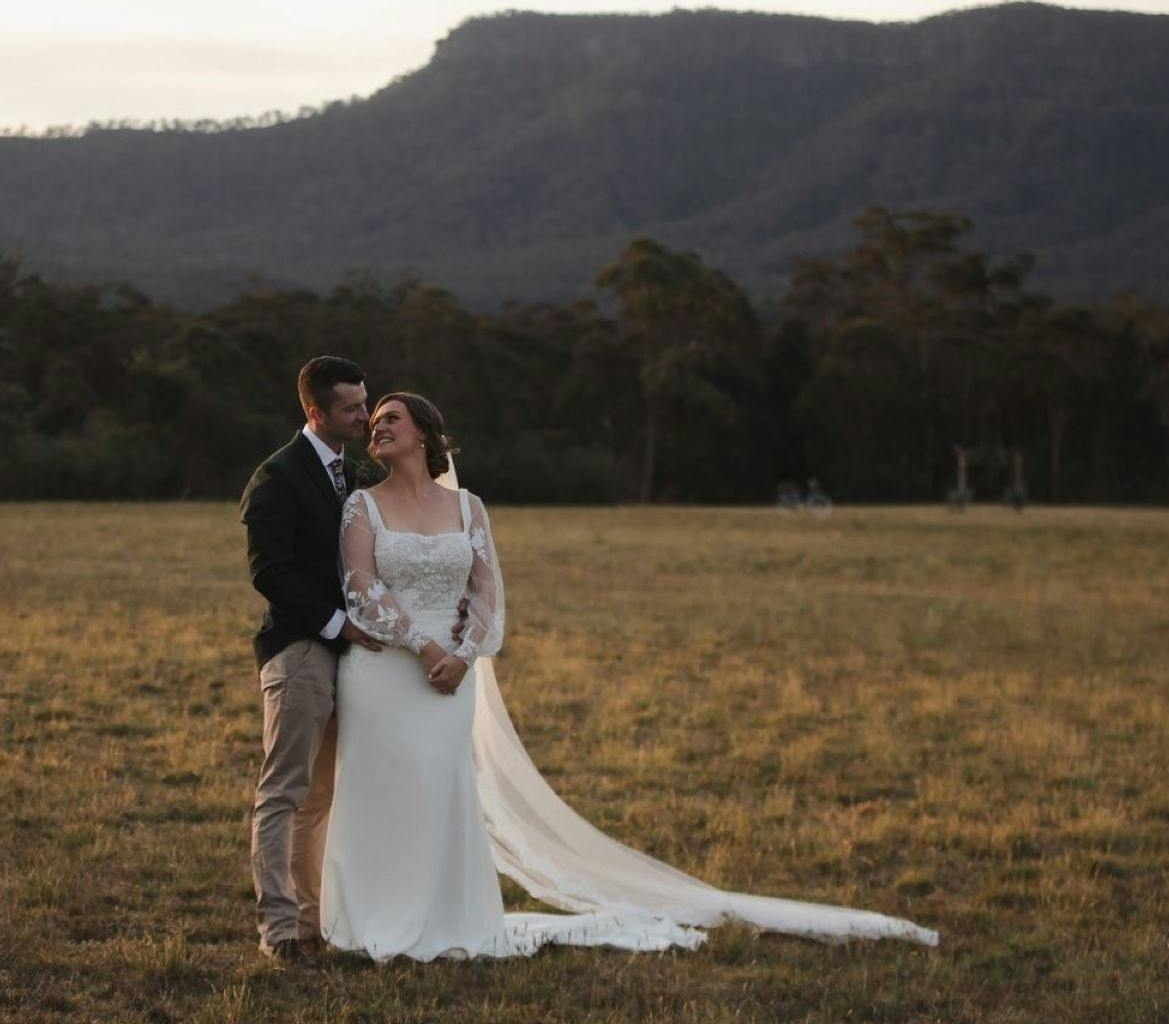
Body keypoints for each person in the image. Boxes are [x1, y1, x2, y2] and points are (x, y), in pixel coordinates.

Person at [318, 392, 938, 962]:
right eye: (373, 423)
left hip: (452, 675)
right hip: (386, 667)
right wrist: (427, 647)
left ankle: (444, 919)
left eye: (391, 418)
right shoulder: (362, 505)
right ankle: (373, 917)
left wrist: (465, 652)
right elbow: (361, 588)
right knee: (382, 789)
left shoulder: (468, 508)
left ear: (425, 434)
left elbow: (487, 592)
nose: (379, 427)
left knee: (441, 788)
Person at [239, 356, 383, 960]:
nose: (364, 415)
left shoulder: (350, 473)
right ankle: (278, 929)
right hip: (301, 649)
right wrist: (336, 626)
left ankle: (312, 920)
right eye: (351, 406)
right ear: (315, 412)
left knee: (322, 797)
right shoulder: (277, 476)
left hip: (349, 656)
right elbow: (267, 571)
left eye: (364, 402)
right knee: (284, 792)